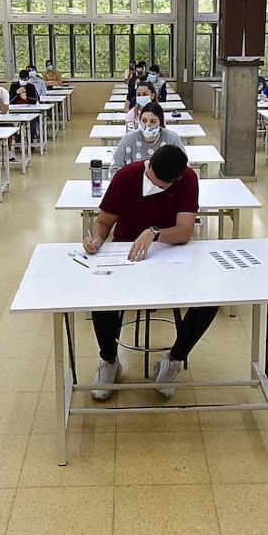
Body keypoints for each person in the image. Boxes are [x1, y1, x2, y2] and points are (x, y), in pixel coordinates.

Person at [84, 145, 208, 400]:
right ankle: (109, 361)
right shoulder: (126, 177)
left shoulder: (188, 179)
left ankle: (174, 359)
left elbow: (185, 231)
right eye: (154, 181)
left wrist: (155, 232)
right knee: (100, 295)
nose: (158, 188)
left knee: (210, 299)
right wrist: (96, 239)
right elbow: (103, 222)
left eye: (165, 185)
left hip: (171, 255)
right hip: (126, 255)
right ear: (148, 164)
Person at [109, 102, 185, 176]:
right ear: (139, 120)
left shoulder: (171, 138)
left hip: (165, 185)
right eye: (144, 120)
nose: (148, 124)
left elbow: (184, 167)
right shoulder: (128, 139)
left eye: (153, 121)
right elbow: (114, 170)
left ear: (160, 123)